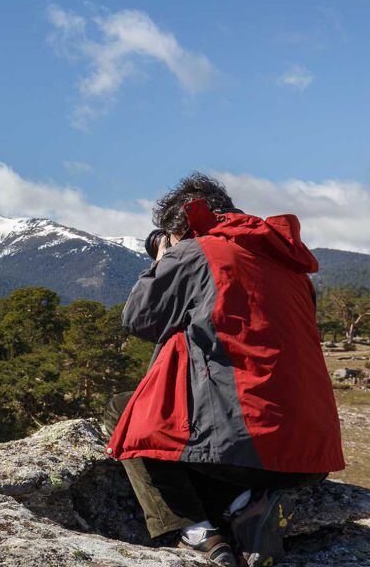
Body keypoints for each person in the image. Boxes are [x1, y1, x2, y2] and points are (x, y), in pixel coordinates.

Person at [105, 173, 344, 567]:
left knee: (126, 412)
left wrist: (165, 260)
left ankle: (200, 532)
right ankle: (246, 507)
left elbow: (139, 318)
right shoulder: (291, 265)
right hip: (311, 459)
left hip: (245, 452)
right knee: (207, 429)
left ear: (180, 226)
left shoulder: (199, 251)